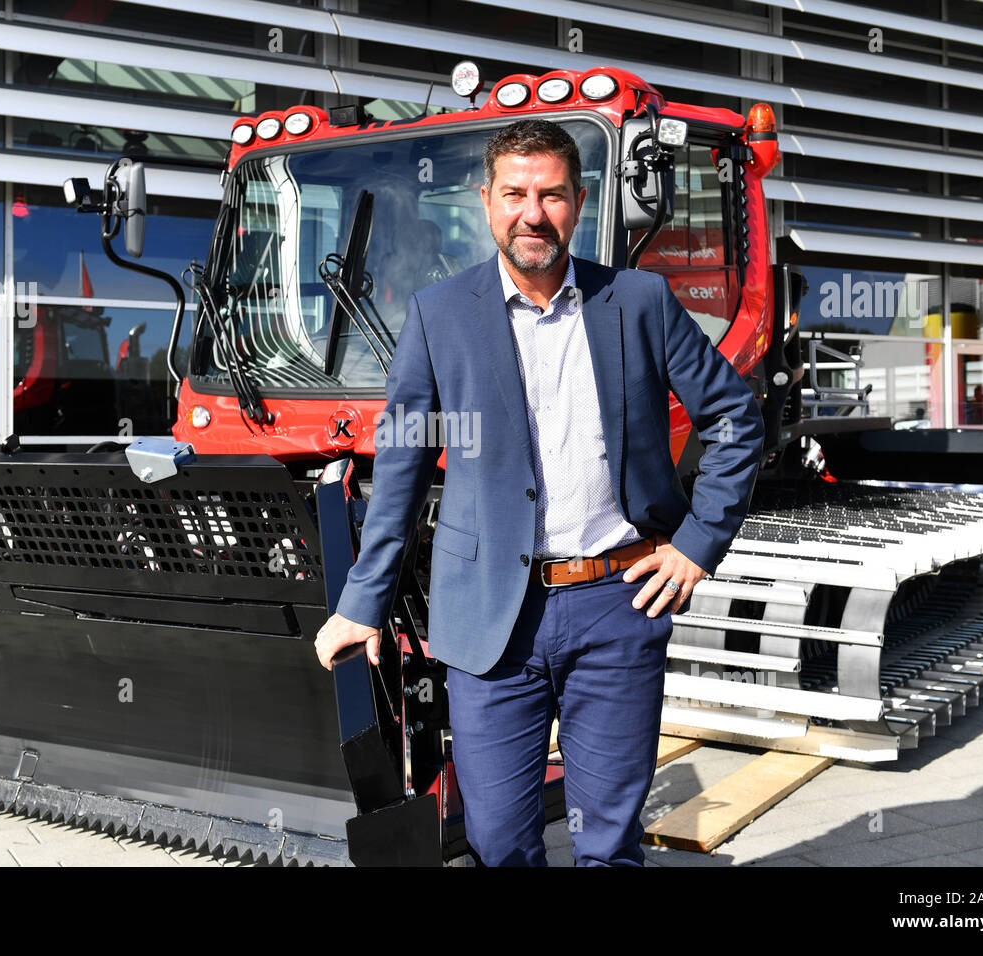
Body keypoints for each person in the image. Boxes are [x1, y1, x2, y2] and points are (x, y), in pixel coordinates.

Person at [313, 118, 764, 866]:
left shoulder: (640, 302)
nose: (533, 212)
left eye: (551, 194)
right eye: (516, 193)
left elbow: (734, 416)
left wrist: (697, 544)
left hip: (616, 606)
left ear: (578, 202)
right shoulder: (437, 315)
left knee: (609, 842)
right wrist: (364, 602)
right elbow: (400, 463)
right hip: (490, 615)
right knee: (497, 840)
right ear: (485, 201)